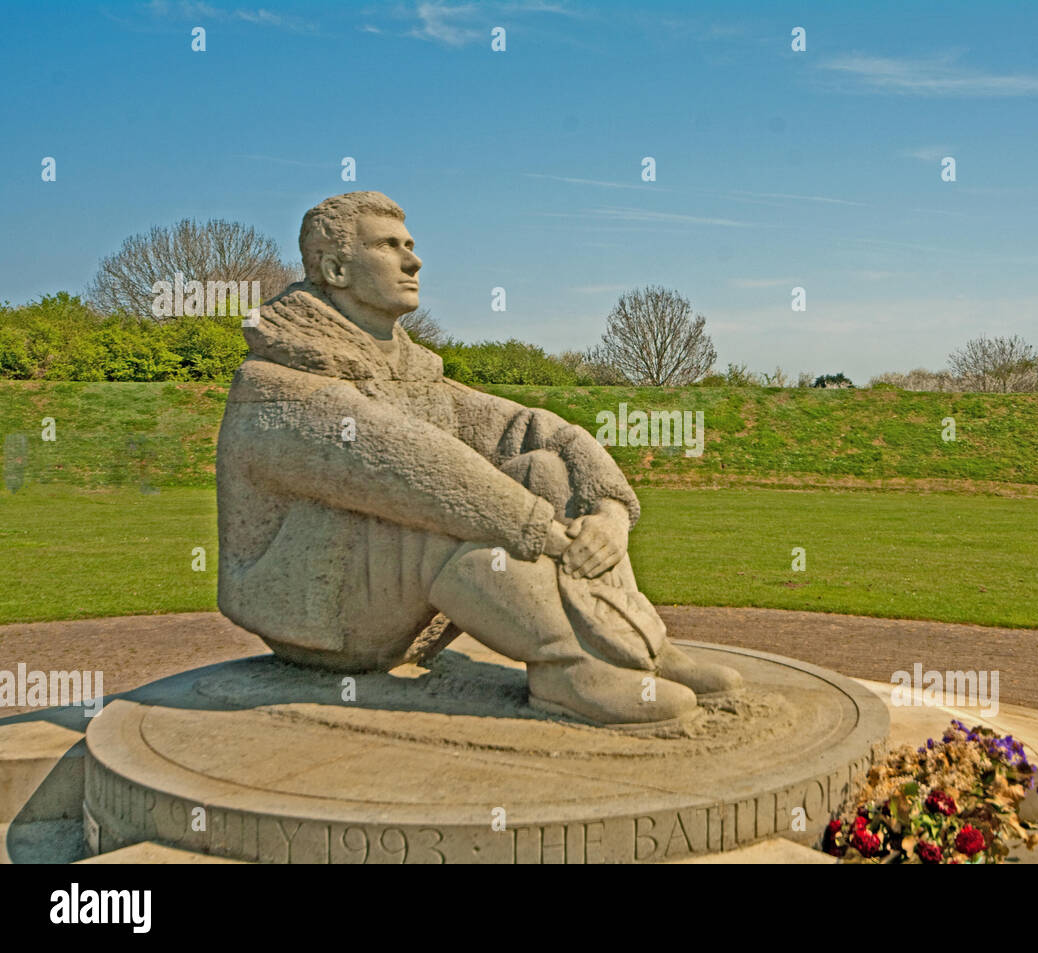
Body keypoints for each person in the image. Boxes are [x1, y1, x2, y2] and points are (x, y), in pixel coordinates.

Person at [216, 191, 740, 727]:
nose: (413, 260)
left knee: (544, 470)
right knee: (445, 506)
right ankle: (567, 666)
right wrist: (553, 536)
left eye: (411, 245)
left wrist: (606, 511)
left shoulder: (412, 373)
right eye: (389, 246)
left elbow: (528, 427)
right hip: (319, 619)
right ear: (336, 268)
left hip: (384, 601)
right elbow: (414, 465)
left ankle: (634, 647)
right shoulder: (275, 386)